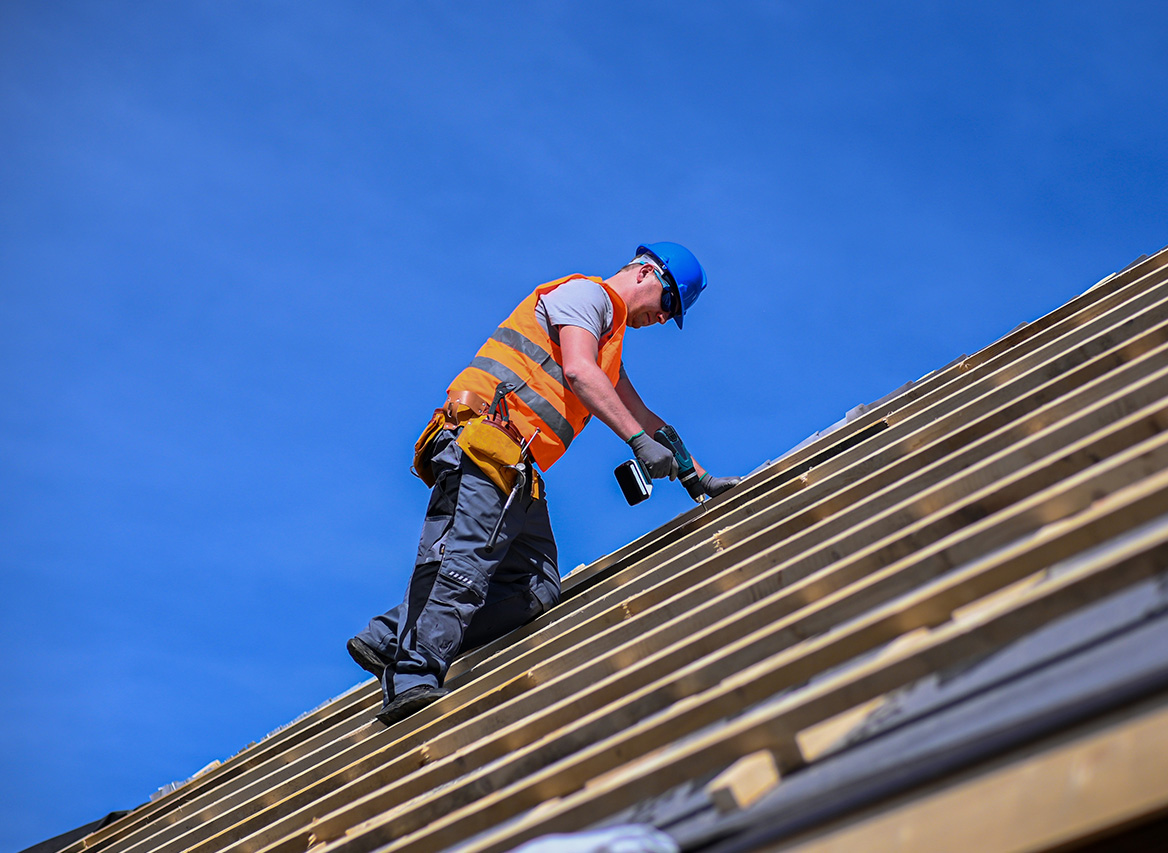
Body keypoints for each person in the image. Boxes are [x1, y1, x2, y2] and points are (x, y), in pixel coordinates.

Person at [348, 242, 740, 725]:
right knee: (465, 562)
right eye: (669, 304)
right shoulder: (586, 297)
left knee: (535, 588)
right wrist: (637, 441)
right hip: (482, 444)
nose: (663, 320)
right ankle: (412, 672)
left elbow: (642, 414)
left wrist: (694, 475)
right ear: (645, 273)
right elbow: (578, 371)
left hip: (516, 469)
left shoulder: (608, 346)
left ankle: (391, 633)